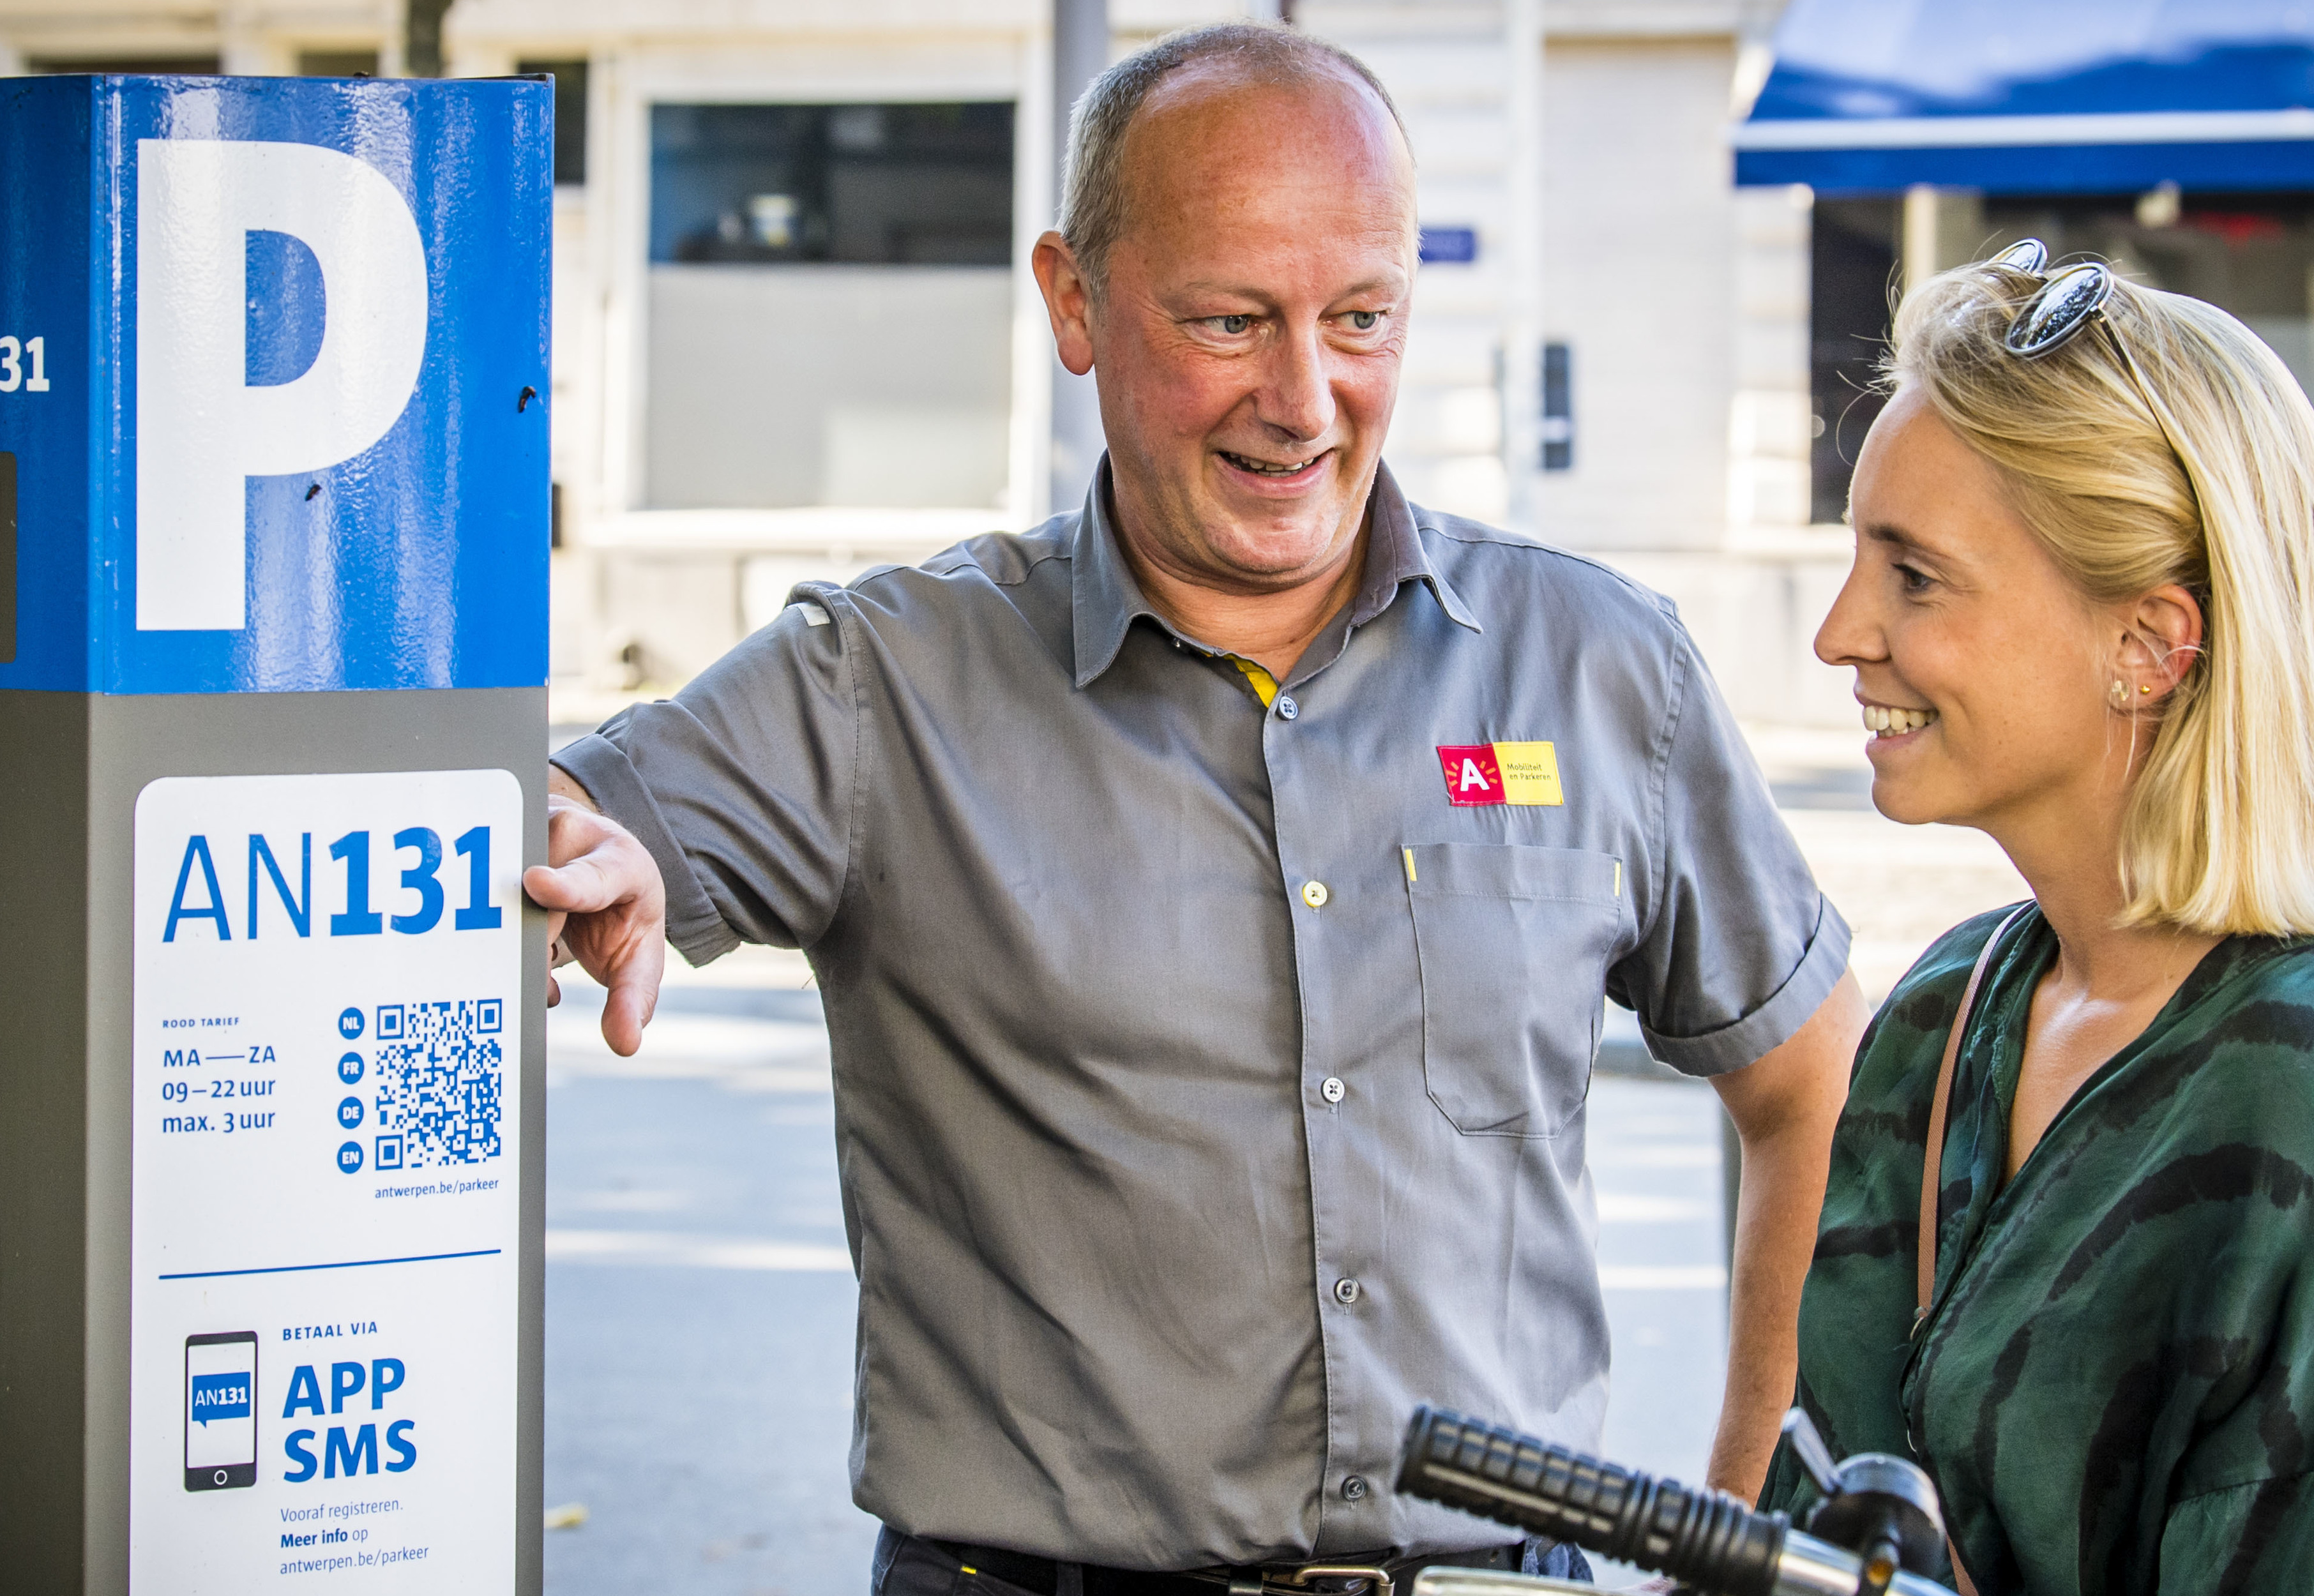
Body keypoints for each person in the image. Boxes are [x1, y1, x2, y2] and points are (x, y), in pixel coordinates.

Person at [527, 24, 1866, 1594]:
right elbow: (561, 820)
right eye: (1229, 321)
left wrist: (1740, 1541)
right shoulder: (883, 686)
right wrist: (571, 847)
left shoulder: (1597, 670)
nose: (1304, 400)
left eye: (1359, 318)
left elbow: (1817, 1089)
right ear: (1074, 302)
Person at [1780, 250, 2314, 1595]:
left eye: (1915, 575)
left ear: (2149, 646)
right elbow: (1822, 1515)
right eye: (1853, 557)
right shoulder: (1951, 1004)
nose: (1839, 632)